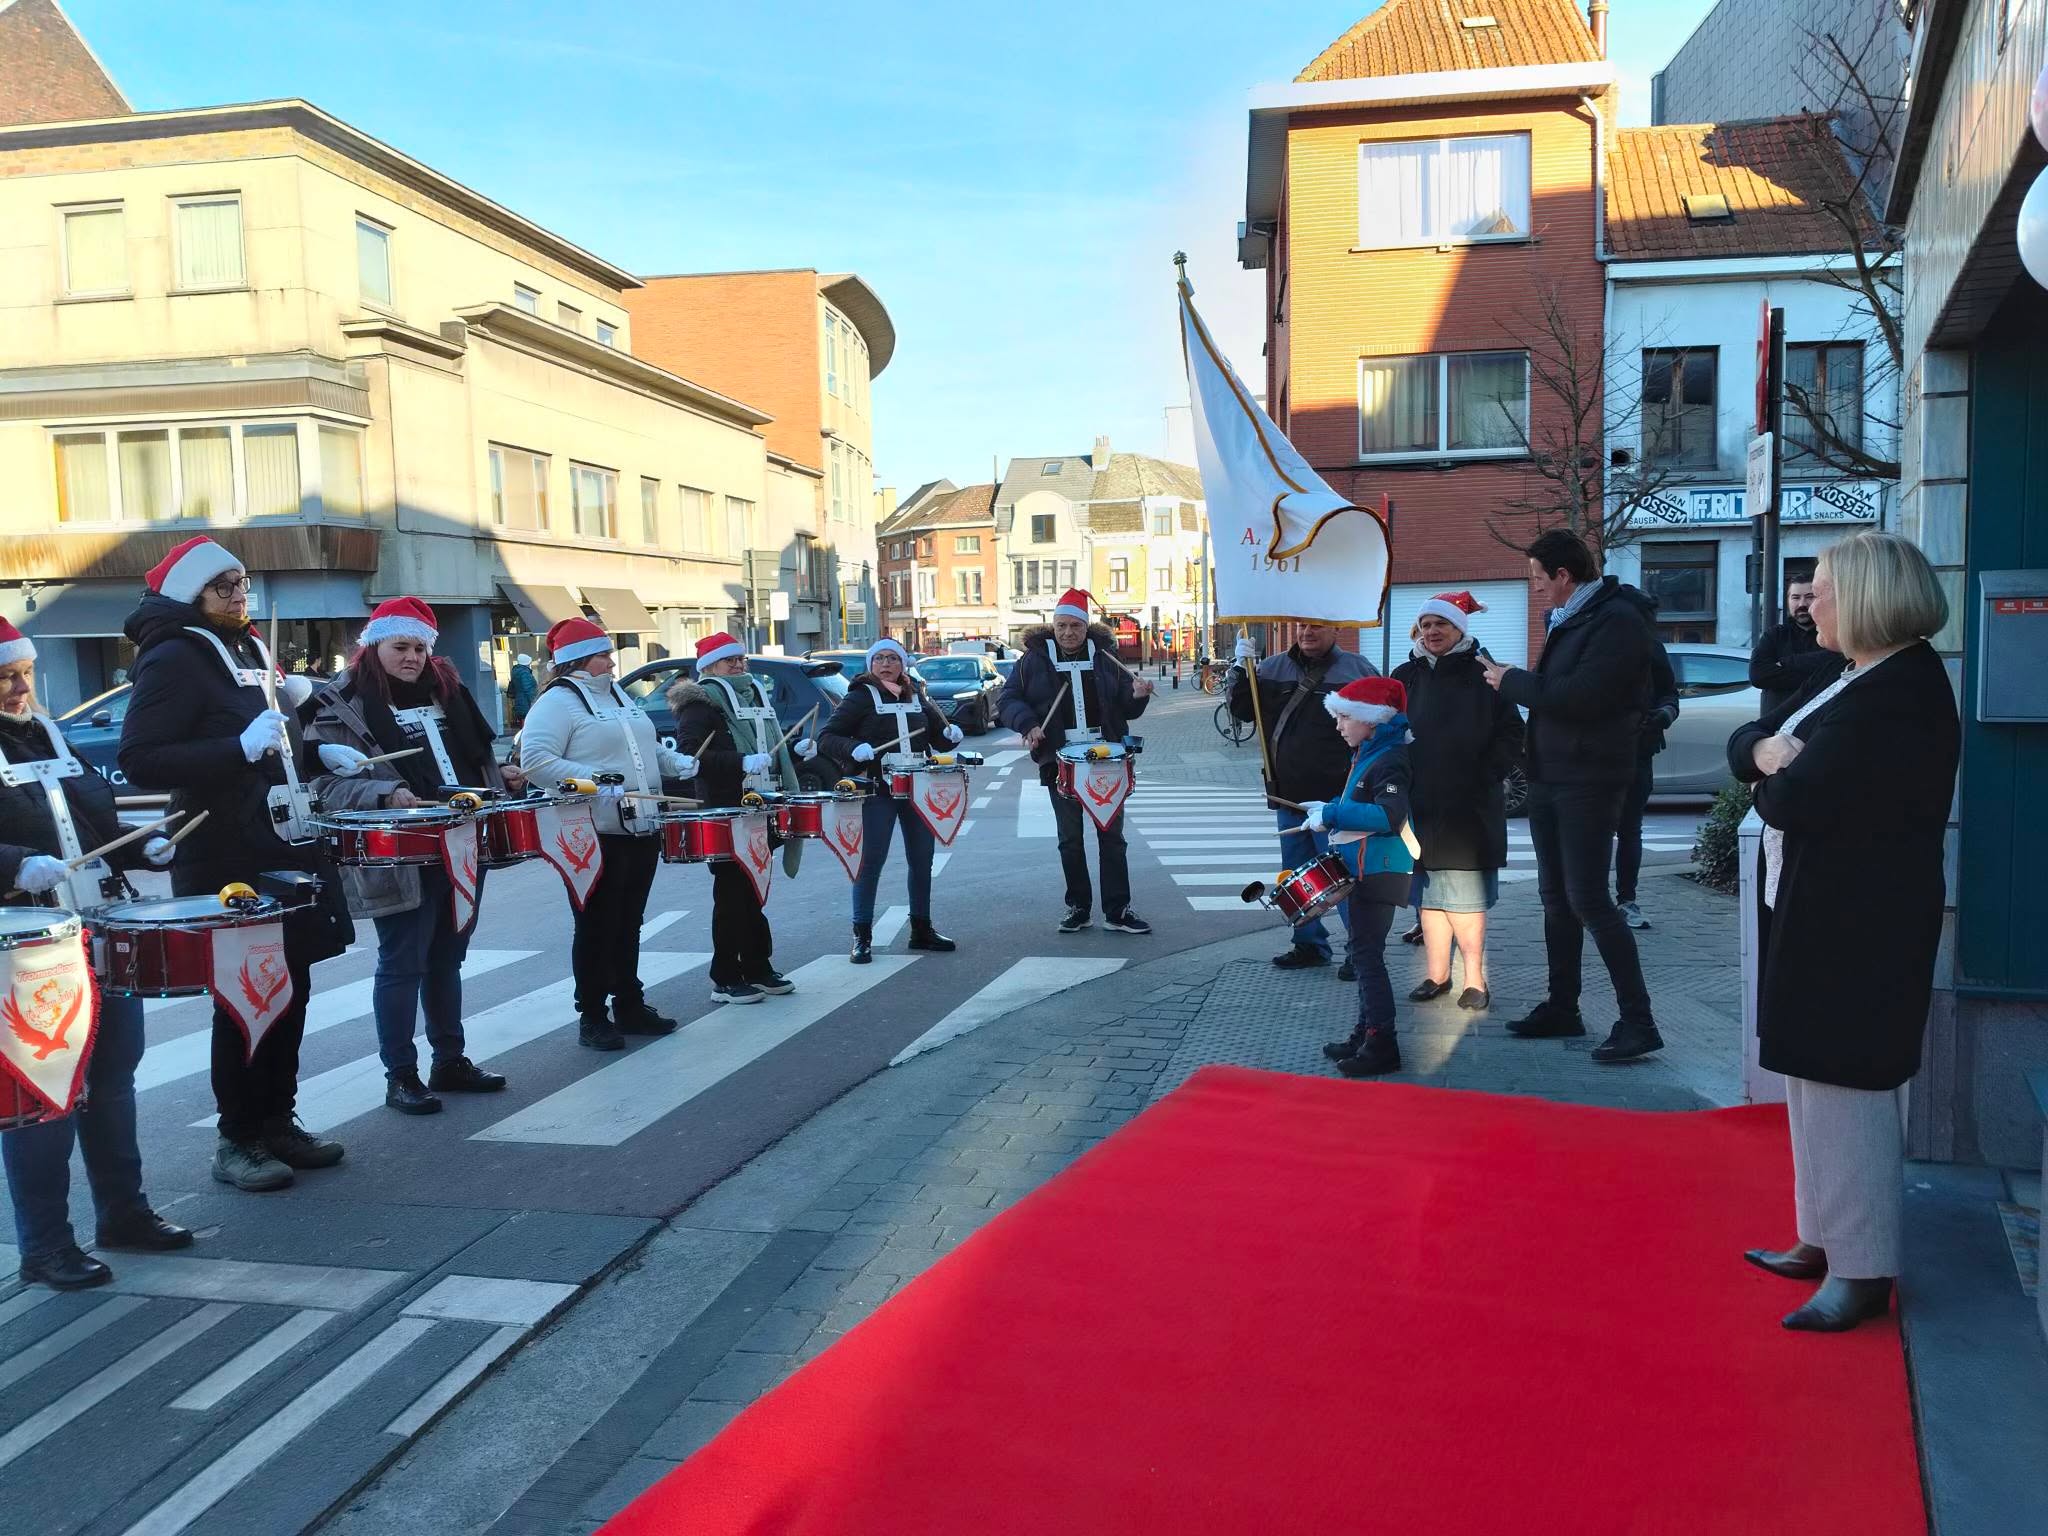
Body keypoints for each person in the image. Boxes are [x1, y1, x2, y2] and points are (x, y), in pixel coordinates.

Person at [1728, 533, 1958, 1332]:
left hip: (1863, 921)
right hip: (1820, 907)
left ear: (1863, 596)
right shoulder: (1851, 675)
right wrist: (1765, 753)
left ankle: (1864, 1267)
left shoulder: (1899, 692)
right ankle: (1822, 1235)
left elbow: (1797, 800)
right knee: (1810, 1079)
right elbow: (1750, 749)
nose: (1809, 601)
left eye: (1821, 588)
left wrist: (1769, 772)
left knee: (1848, 1081)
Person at [119, 535, 356, 1191]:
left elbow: (275, 738)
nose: (238, 594)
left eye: (242, 582)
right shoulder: (172, 657)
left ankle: (278, 1121)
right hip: (226, 852)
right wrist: (234, 747)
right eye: (223, 585)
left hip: (285, 841)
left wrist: (315, 753)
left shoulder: (249, 648)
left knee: (293, 986)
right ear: (191, 594)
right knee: (246, 995)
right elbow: (139, 757)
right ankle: (238, 1139)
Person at [0, 619, 192, 1289]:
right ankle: (46, 1246)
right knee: (43, 1096)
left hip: (99, 927)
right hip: (27, 950)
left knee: (113, 1077)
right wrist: (15, 864)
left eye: (23, 672)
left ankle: (124, 1213)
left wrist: (142, 846)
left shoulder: (48, 734)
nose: (18, 686)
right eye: (4, 676)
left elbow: (94, 825)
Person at [305, 598, 528, 1114]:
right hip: (398, 849)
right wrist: (382, 793)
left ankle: (449, 1060)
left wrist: (499, 778)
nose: (411, 657)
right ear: (373, 646)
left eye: (420, 647)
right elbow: (321, 782)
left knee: (448, 957)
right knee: (403, 962)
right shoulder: (342, 703)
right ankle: (400, 1075)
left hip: (462, 838)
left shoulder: (447, 691)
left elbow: (469, 758)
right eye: (400, 646)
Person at [1480, 529, 1663, 1064]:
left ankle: (1639, 1020)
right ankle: (1564, 1004)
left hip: (1588, 777)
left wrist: (1511, 681)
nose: (1535, 590)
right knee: (1556, 898)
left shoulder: (1616, 620)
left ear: (1563, 575)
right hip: (1551, 774)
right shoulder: (1572, 617)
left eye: (1538, 578)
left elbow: (1582, 698)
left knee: (1589, 900)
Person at [520, 616, 697, 1046]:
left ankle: (630, 1004)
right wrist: (595, 778)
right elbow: (536, 761)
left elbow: (644, 748)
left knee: (629, 920)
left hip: (640, 823)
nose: (613, 663)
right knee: (596, 922)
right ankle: (593, 1016)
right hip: (593, 830)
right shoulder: (557, 702)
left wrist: (677, 763)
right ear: (579, 660)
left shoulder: (616, 693)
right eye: (603, 655)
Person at [995, 588, 1154, 935]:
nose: (1068, 633)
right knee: (1070, 839)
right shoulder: (1033, 660)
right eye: (1061, 626)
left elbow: (1125, 707)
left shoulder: (1104, 656)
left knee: (1112, 837)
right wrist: (1029, 724)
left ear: (1086, 627)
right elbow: (1007, 700)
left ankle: (1118, 910)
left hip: (1106, 760)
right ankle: (1079, 908)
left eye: (1075, 626)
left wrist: (1137, 696)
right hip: (1060, 761)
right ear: (1052, 625)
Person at [1392, 593, 1523, 1009]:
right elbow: (1388, 732)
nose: (1432, 632)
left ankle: (1475, 979)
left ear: (1459, 630)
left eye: (1441, 625)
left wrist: (1487, 773)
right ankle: (1437, 975)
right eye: (1426, 625)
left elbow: (1511, 734)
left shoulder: (1486, 673)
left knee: (1465, 902)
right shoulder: (1404, 676)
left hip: (1469, 806)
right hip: (1420, 805)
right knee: (1428, 898)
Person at [666, 632, 811, 1003]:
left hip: (761, 807)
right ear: (708, 666)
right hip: (725, 809)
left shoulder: (756, 698)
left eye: (741, 659)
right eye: (729, 660)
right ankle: (726, 976)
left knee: (753, 891)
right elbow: (691, 759)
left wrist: (794, 750)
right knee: (732, 895)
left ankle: (759, 966)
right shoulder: (699, 705)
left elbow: (768, 751)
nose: (738, 665)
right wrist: (740, 762)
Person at [1227, 621, 1376, 977]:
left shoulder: (1357, 669)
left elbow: (1377, 727)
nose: (1308, 633)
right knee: (1296, 875)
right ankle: (1308, 943)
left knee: (1344, 877)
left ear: (1336, 629)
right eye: (1302, 626)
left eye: (1317, 627)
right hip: (1289, 794)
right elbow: (1244, 712)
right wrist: (1239, 671)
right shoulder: (1271, 667)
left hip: (1337, 797)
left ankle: (1360, 949)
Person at [818, 637, 962, 962]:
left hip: (917, 788)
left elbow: (937, 738)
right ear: (871, 665)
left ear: (902, 664)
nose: (886, 664)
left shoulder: (917, 695)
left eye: (893, 659)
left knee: (922, 860)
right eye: (880, 658)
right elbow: (827, 737)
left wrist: (951, 736)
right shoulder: (859, 696)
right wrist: (853, 748)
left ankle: (921, 929)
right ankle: (862, 935)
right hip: (877, 790)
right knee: (870, 863)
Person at [1301, 677, 1416, 1077]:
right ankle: (1364, 1034)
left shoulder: (1389, 758)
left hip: (1379, 872)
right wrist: (1330, 806)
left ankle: (1382, 1043)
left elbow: (1388, 816)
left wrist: (1331, 814)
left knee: (1367, 959)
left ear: (1372, 719)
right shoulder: (1371, 751)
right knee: (1363, 954)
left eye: (1345, 717)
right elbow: (1361, 805)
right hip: (1364, 868)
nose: (1339, 726)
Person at [1612, 587, 1680, 931]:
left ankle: (1627, 899)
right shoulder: (1597, 647)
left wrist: (1663, 714)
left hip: (1639, 751)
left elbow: (1670, 693)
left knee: (1629, 830)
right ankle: (1589, 901)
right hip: (1596, 756)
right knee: (1592, 832)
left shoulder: (1651, 648)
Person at [1749, 567, 1845, 717]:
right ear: (1787, 600)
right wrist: (1818, 673)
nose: (1802, 604)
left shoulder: (1835, 635)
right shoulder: (1775, 635)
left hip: (1819, 725)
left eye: (1809, 596)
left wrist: (1788, 663)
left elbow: (1840, 662)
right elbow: (1758, 675)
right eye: (1795, 597)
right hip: (1777, 726)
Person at [505, 653, 538, 729]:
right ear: (526, 663)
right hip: (526, 701)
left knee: (523, 720)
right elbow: (528, 688)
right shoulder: (524, 673)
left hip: (520, 699)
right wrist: (534, 699)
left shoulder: (516, 671)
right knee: (527, 721)